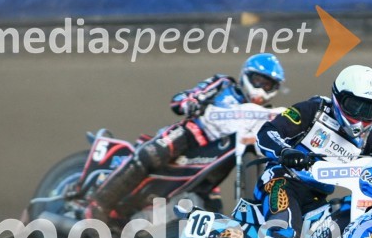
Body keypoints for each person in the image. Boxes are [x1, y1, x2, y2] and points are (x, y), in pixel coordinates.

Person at [85, 53, 286, 222]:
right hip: (192, 136)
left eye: (268, 85)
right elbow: (184, 97)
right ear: (246, 76)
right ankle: (99, 203)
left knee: (213, 207)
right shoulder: (224, 84)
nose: (261, 88)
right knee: (153, 153)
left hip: (216, 162)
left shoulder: (266, 115)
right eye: (258, 81)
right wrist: (191, 102)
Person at [254, 64, 372, 238]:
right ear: (338, 97)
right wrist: (285, 151)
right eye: (355, 106)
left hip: (318, 198)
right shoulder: (313, 110)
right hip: (282, 181)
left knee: (358, 215)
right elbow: (267, 132)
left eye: (369, 110)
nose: (360, 118)